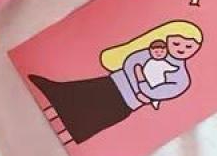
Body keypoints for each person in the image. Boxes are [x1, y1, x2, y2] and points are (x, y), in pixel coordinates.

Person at [28, 20, 202, 145]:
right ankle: (52, 96)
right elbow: (130, 62)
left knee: (87, 124)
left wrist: (140, 80)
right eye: (177, 43)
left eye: (189, 47)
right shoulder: (152, 52)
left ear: (196, 49)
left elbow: (158, 92)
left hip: (126, 102)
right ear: (167, 39)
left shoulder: (181, 78)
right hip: (111, 84)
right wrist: (139, 83)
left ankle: (56, 141)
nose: (181, 49)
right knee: (74, 96)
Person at [136, 39, 179, 108]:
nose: (159, 54)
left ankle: (150, 99)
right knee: (156, 90)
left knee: (155, 90)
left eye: (162, 51)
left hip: (153, 82)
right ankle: (151, 100)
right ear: (150, 51)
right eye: (156, 52)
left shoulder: (153, 61)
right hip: (153, 81)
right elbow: (172, 68)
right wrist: (177, 68)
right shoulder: (159, 62)